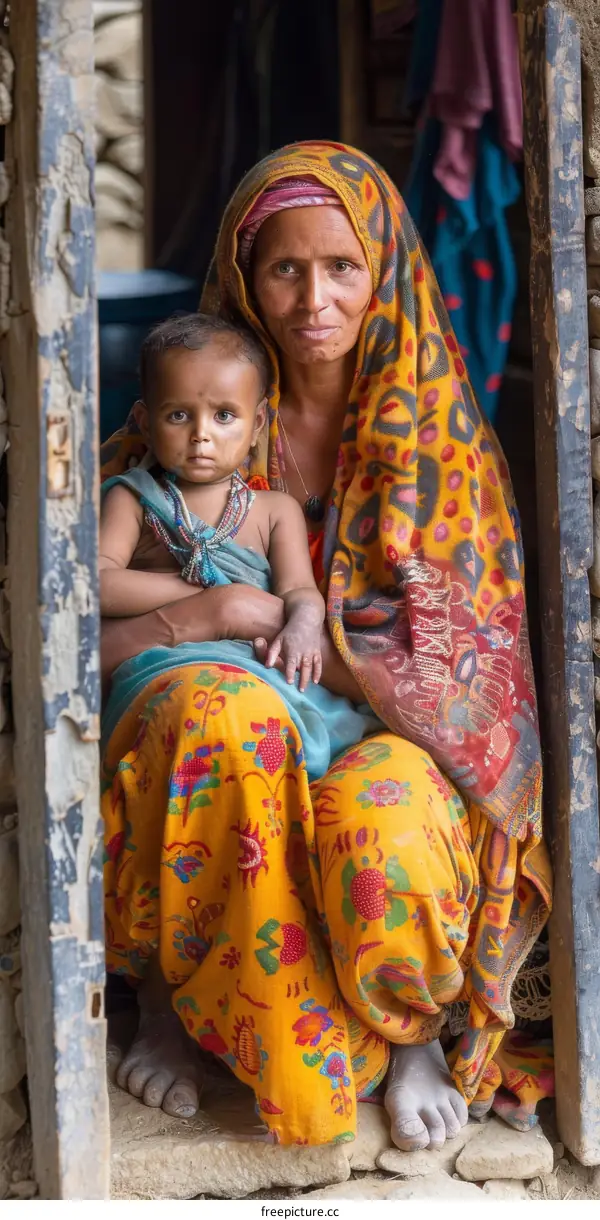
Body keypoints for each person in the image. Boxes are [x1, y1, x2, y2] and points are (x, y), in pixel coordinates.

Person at [101, 141, 553, 1151]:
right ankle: (176, 1011)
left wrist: (330, 652)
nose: (314, 297)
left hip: (384, 732)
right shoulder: (189, 422)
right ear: (245, 277)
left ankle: (411, 1034)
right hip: (220, 700)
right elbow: (80, 649)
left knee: (382, 808)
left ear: (384, 270)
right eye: (285, 267)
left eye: (341, 266)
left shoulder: (438, 449)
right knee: (226, 717)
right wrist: (210, 616)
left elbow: (468, 690)